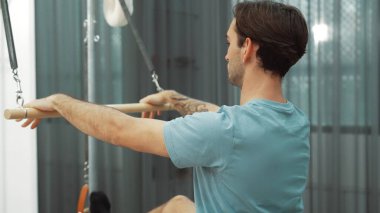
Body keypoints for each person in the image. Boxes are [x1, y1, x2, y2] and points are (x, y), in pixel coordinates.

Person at [20, 1, 310, 212]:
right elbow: (223, 122)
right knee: (177, 206)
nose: (225, 55)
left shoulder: (225, 131)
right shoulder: (295, 122)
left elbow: (121, 129)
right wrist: (173, 99)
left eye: (229, 43)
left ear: (247, 48)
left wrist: (59, 102)